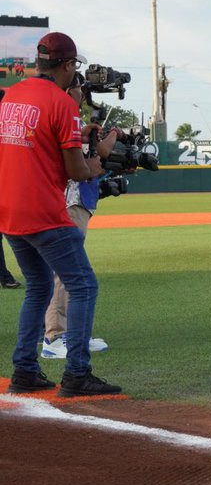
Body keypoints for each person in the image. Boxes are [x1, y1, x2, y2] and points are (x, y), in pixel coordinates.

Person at [1, 32, 120, 396]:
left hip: (8, 210)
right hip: (43, 211)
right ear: (68, 65)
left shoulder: (11, 95)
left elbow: (32, 139)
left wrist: (78, 133)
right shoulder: (61, 102)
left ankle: (24, 370)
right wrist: (96, 165)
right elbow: (76, 172)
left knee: (38, 286)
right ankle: (77, 374)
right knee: (84, 285)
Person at [42, 73, 119, 358]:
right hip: (69, 199)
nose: (82, 92)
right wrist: (111, 136)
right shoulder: (64, 113)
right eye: (78, 86)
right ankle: (54, 338)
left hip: (74, 199)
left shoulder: (69, 116)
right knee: (65, 274)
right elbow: (97, 153)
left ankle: (74, 335)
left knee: (71, 275)